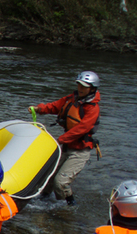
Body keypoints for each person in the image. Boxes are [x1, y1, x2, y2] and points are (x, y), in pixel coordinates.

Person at [28, 71, 101, 206]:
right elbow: (56, 106)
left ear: (92, 88)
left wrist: (60, 140)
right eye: (79, 85)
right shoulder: (72, 99)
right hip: (66, 147)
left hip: (79, 152)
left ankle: (69, 206)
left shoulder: (92, 108)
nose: (80, 89)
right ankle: (42, 200)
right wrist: (39, 109)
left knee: (60, 182)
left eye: (84, 86)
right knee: (48, 176)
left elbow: (82, 129)